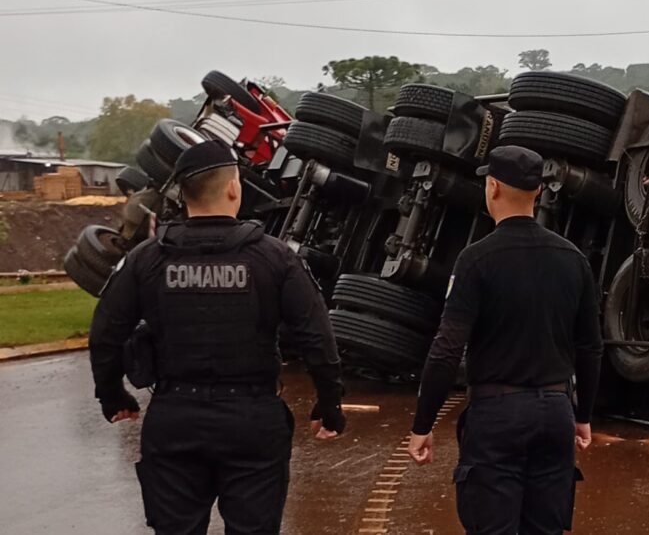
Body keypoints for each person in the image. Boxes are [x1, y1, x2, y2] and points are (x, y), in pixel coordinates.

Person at [88, 140, 346, 535]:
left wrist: (112, 394)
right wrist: (329, 403)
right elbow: (317, 338)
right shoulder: (275, 258)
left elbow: (106, 332)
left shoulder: (147, 258)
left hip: (175, 419)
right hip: (252, 422)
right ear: (232, 188)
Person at [408, 145, 604, 534]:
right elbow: (591, 346)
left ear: (493, 187)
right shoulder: (573, 259)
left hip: (497, 417)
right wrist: (582, 417)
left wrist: (423, 424)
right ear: (539, 193)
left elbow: (447, 347)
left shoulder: (476, 260)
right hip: (555, 412)